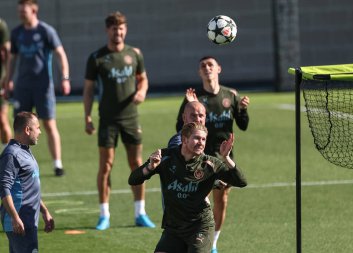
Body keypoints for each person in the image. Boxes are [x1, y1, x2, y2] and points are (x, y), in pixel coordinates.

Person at [83, 11, 154, 230]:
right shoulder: (97, 58)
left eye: (122, 28)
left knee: (137, 164)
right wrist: (87, 116)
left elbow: (143, 80)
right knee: (106, 166)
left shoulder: (135, 54)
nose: (118, 32)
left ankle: (140, 212)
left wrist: (142, 91)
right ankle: (104, 214)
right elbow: (88, 90)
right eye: (114, 28)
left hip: (131, 118)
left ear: (126, 29)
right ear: (108, 30)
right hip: (108, 120)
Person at [129, 122, 247, 253]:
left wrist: (226, 158)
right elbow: (133, 179)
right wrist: (150, 167)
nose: (201, 143)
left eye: (203, 139)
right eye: (196, 138)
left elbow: (241, 181)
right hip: (174, 229)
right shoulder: (165, 157)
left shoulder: (210, 163)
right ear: (184, 139)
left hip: (200, 227)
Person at [175, 56, 250, 253]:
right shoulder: (194, 97)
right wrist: (189, 106)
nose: (207, 68)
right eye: (203, 66)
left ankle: (213, 243)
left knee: (221, 200)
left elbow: (243, 126)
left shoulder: (231, 94)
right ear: (199, 72)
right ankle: (197, 238)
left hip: (224, 157)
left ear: (219, 69)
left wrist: (242, 110)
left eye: (210, 65)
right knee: (199, 201)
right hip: (200, 159)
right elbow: (179, 128)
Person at [3, 0, 71, 176]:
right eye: (19, 12)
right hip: (22, 87)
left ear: (34, 10)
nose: (21, 15)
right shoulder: (17, 33)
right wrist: (8, 80)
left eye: (23, 11)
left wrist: (65, 78)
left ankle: (57, 164)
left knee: (48, 124)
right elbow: (12, 60)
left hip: (43, 87)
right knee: (20, 126)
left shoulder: (46, 31)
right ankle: (19, 163)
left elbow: (60, 55)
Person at [0, 111, 55, 253]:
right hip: (20, 221)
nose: (40, 132)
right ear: (27, 129)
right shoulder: (12, 154)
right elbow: (4, 189)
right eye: (37, 127)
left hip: (27, 220)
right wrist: (15, 217)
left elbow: (29, 187)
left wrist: (44, 211)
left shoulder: (24, 151)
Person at [0, 18, 12, 149]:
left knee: (2, 118)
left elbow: (7, 53)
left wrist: (8, 77)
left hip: (0, 78)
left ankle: (8, 156)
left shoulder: (1, 25)